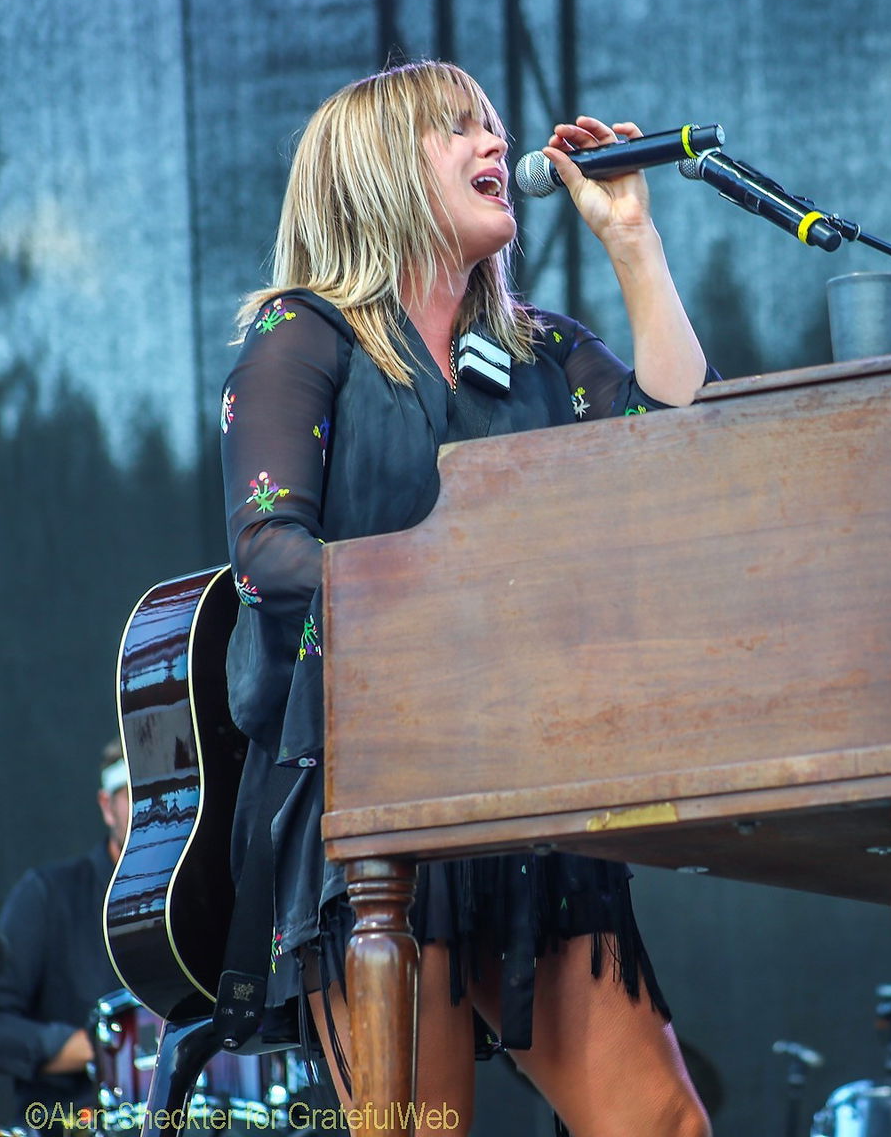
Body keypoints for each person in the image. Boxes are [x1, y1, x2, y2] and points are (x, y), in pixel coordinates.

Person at [219, 60, 714, 1137]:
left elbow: (681, 459)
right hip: (378, 796)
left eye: (494, 124)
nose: (497, 142)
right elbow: (269, 553)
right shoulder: (305, 334)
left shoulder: (537, 353)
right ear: (378, 170)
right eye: (458, 128)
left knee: (664, 1124)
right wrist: (462, 601)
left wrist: (632, 240)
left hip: (529, 788)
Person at [0, 741, 128, 1130]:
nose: (153, 807)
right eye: (134, 793)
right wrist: (87, 1047)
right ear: (107, 806)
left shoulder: (202, 901)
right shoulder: (46, 894)